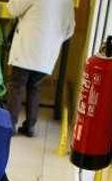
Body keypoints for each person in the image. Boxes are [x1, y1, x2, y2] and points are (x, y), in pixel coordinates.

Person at [5, 0, 75, 137]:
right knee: (35, 87)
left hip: (27, 46)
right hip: (47, 53)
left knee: (17, 86)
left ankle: (10, 125)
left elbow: (12, 9)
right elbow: (69, 29)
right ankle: (30, 126)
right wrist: (54, 40)